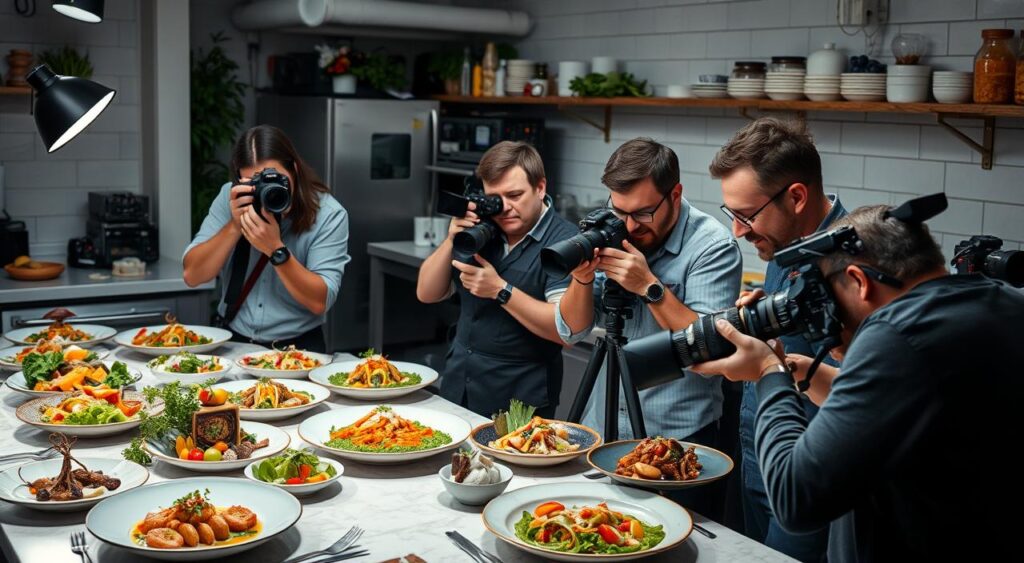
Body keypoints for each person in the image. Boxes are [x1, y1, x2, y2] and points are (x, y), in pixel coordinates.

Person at [690, 204, 1024, 562]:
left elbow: (795, 498)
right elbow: (893, 404)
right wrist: (793, 370)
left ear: (860, 282)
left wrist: (768, 373)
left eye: (827, 298)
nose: (826, 317)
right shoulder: (998, 302)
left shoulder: (897, 334)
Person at [556, 137, 742, 514]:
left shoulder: (712, 246)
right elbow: (570, 331)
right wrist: (582, 278)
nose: (628, 225)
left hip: (675, 441)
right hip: (601, 431)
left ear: (675, 194)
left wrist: (649, 287)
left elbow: (711, 347)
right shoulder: (614, 227)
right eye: (618, 209)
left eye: (642, 213)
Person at [710, 117, 845, 561]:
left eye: (746, 216)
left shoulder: (853, 262)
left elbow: (875, 385)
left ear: (797, 197)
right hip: (758, 451)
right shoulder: (784, 242)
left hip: (811, 472)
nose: (738, 232)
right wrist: (774, 310)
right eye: (733, 215)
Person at [416, 141, 577, 418]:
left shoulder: (567, 242)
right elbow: (426, 293)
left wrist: (501, 290)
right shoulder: (483, 228)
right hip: (458, 386)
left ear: (540, 188)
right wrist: (450, 240)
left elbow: (566, 329)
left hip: (520, 403)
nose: (505, 208)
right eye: (496, 198)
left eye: (515, 195)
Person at [183, 125, 350, 352]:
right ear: (240, 181)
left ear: (294, 169)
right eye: (254, 183)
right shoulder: (230, 198)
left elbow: (320, 301)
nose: (267, 189)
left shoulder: (328, 214)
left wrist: (275, 249)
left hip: (298, 349)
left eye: (276, 179)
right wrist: (234, 226)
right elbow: (193, 275)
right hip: (234, 342)